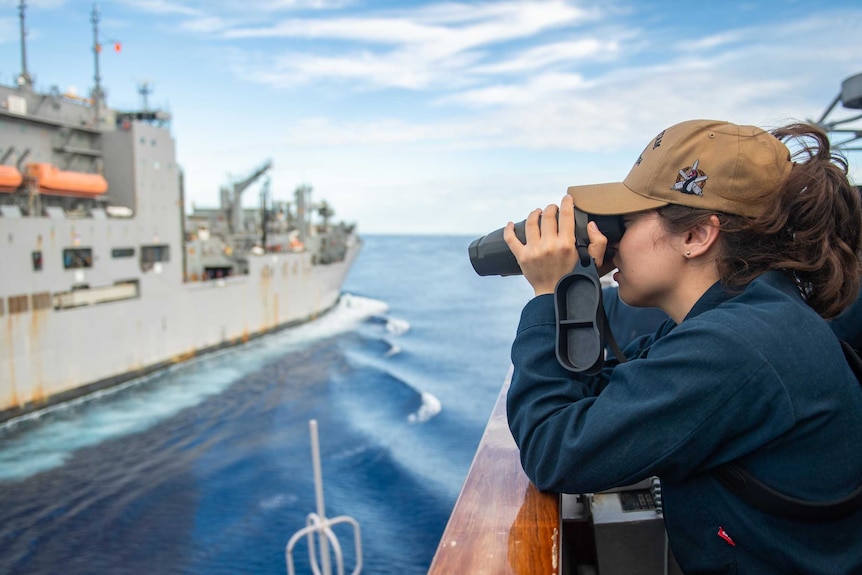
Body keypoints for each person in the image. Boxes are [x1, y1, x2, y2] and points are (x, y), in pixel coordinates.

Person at [502, 119, 862, 574]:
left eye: (625, 223)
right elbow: (599, 396)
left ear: (696, 236)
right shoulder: (738, 317)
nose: (609, 242)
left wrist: (551, 296)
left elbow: (552, 450)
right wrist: (575, 287)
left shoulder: (735, 346)